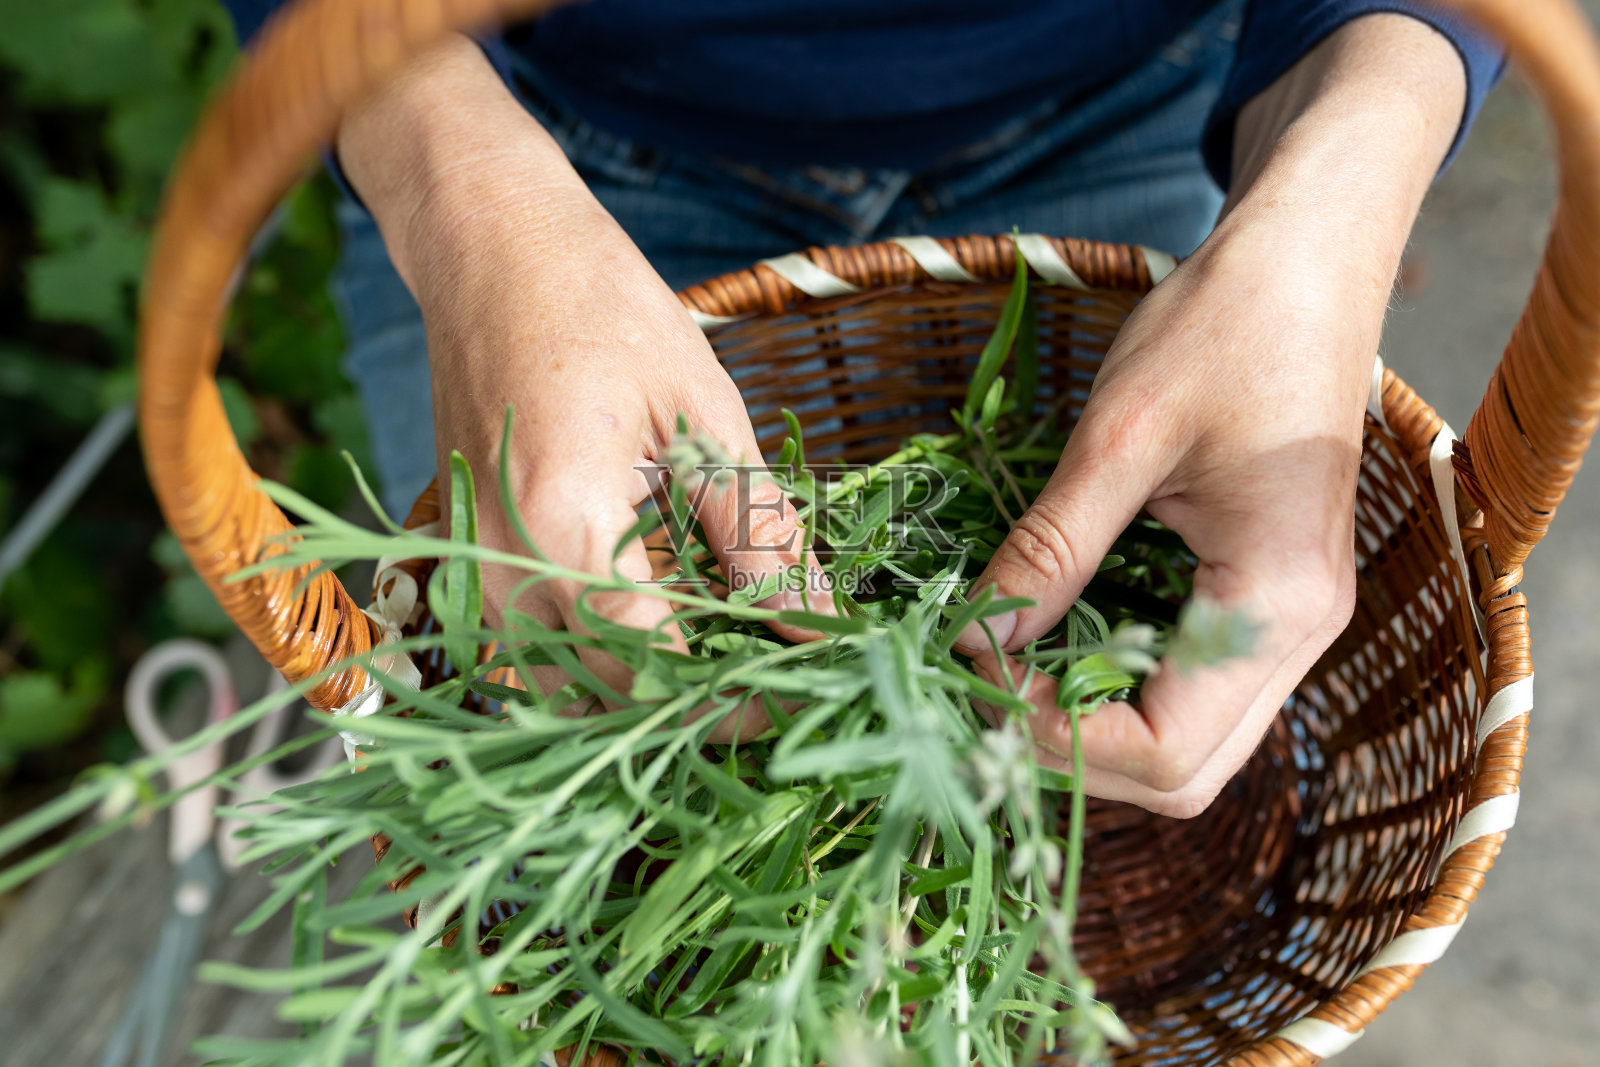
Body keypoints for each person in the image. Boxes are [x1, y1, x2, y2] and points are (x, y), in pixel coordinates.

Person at [221, 0, 1500, 817]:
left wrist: (1329, 214)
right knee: (537, 756)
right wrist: (459, 199)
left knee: (1153, 750)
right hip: (524, 132)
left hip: (1155, 83)